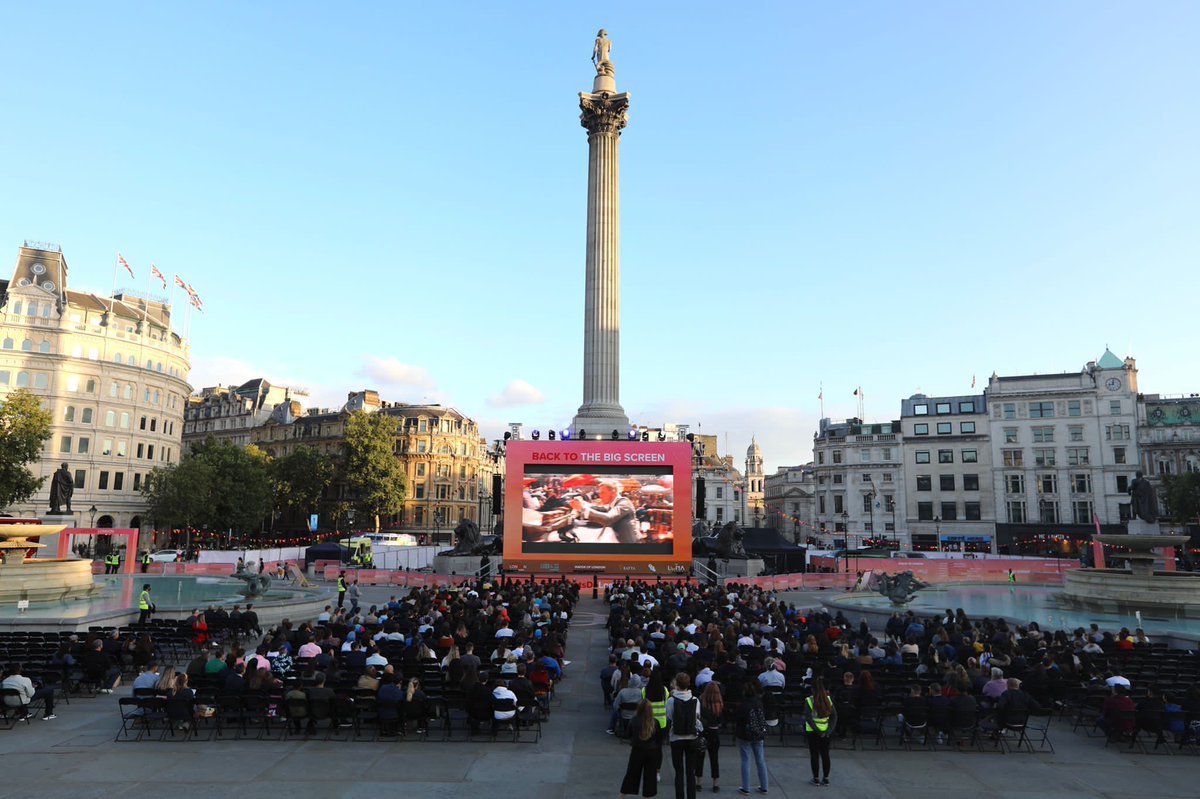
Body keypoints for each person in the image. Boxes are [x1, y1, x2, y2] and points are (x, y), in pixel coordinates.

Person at [665, 673, 702, 799]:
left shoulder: (671, 701)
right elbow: (697, 717)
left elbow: (669, 717)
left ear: (677, 684)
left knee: (679, 772)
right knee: (690, 772)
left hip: (676, 738)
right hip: (692, 737)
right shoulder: (695, 700)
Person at [621, 700, 663, 799]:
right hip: (652, 752)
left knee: (631, 775)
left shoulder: (634, 720)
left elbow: (628, 735)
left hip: (637, 751)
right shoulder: (655, 722)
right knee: (649, 779)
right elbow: (659, 740)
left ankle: (622, 796)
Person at [734, 677, 768, 795]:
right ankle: (764, 786)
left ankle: (746, 787)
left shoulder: (742, 705)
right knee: (760, 760)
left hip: (745, 735)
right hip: (758, 734)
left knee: (745, 760)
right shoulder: (759, 702)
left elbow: (738, 719)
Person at [804, 676, 836, 787]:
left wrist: (817, 731)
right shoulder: (829, 700)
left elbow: (808, 718)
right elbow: (834, 717)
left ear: (813, 689)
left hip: (812, 732)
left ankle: (816, 778)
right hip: (826, 731)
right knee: (825, 754)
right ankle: (826, 778)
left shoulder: (809, 700)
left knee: (814, 754)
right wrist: (829, 730)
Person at [695, 680, 724, 793]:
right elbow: (722, 721)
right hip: (714, 733)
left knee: (699, 758)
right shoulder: (719, 705)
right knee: (714, 758)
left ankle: (698, 782)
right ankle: (715, 783)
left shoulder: (701, 702)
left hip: (703, 733)